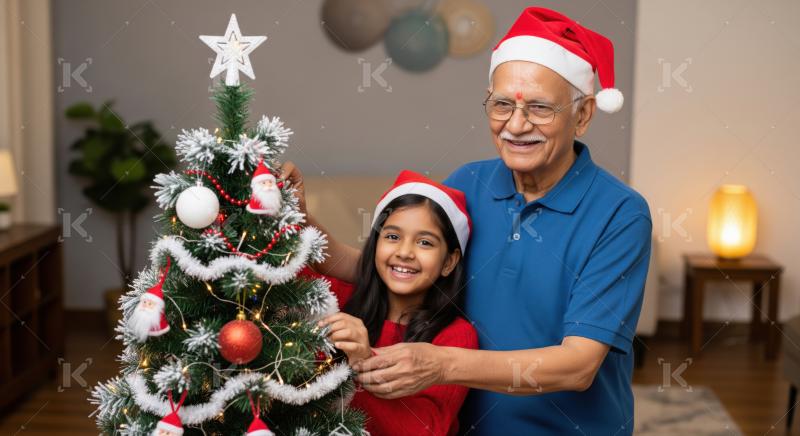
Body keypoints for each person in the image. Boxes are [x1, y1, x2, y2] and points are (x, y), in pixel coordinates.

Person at [284, 7, 652, 434]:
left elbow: (577, 366)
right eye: (501, 105)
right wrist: (300, 222)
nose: (516, 125)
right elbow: (381, 267)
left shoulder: (621, 214)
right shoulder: (468, 182)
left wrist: (442, 363)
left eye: (539, 108)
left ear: (584, 114)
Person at [315, 170, 478, 435]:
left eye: (425, 242)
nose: (404, 252)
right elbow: (282, 267)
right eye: (392, 236)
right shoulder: (338, 297)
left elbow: (425, 429)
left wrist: (362, 361)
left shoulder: (456, 336)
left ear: (449, 261)